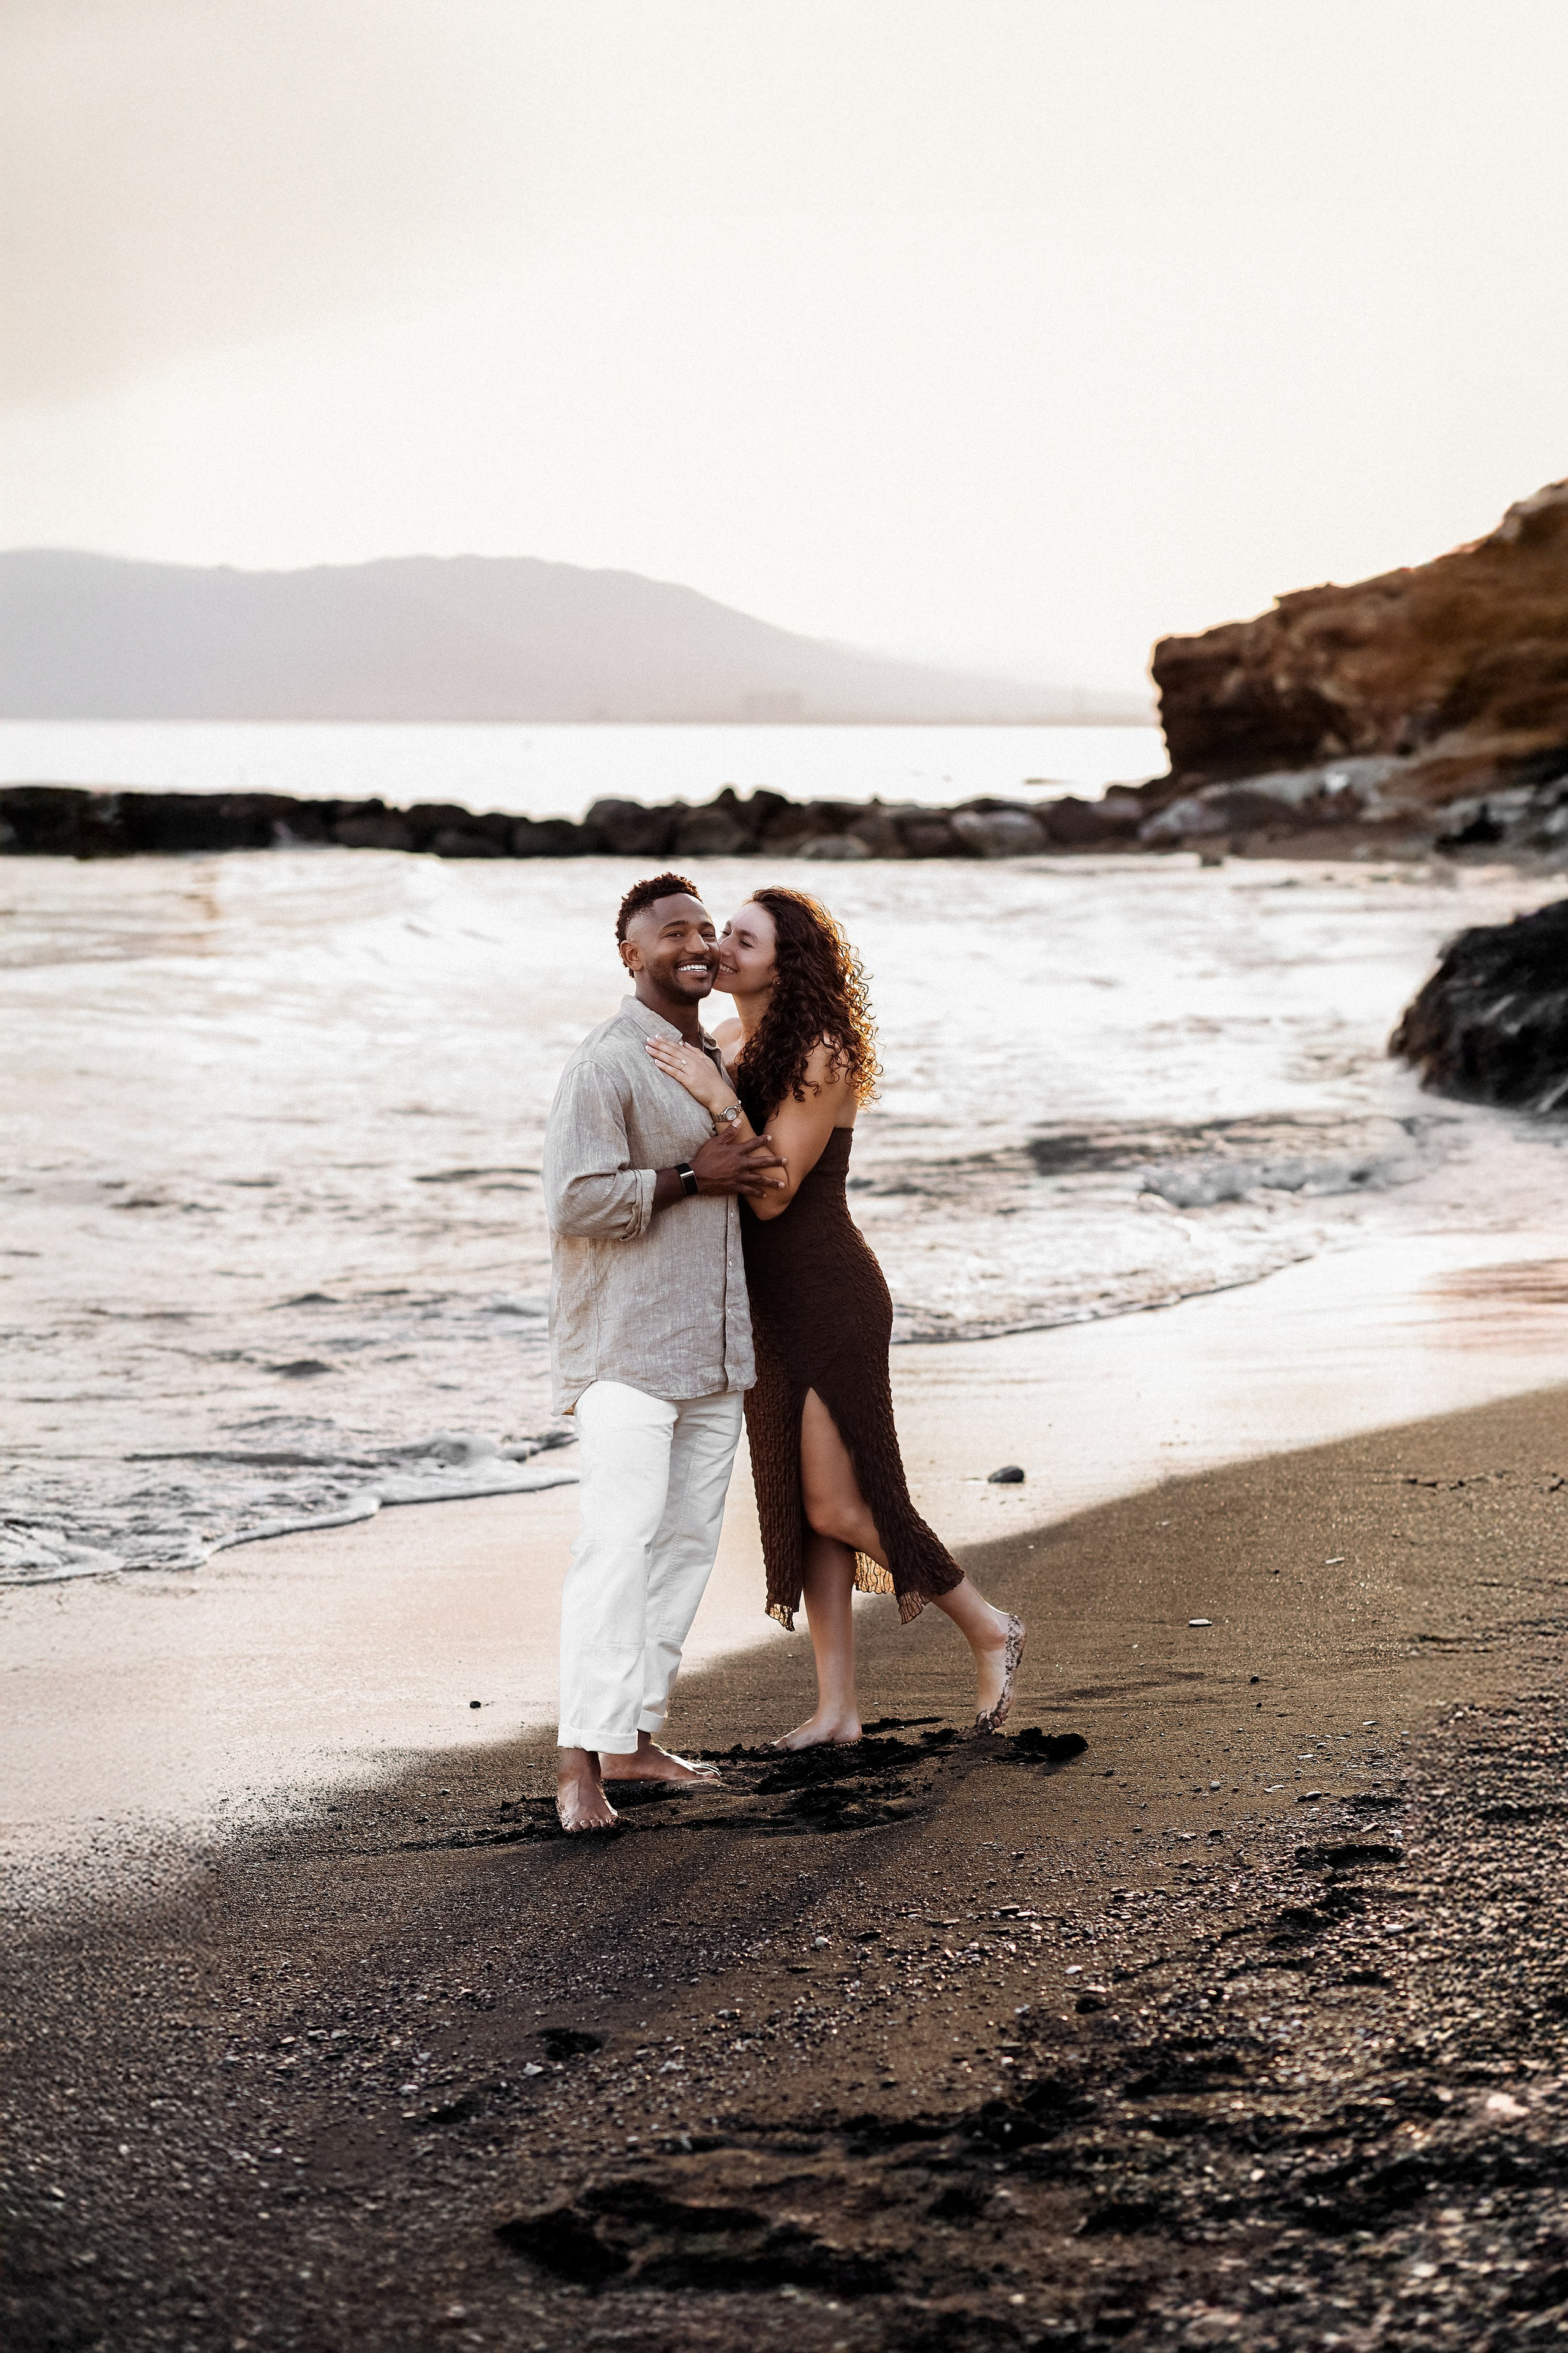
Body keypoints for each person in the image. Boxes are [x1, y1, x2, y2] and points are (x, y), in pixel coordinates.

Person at [644, 886, 1024, 1749]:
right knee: (806, 1506)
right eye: (720, 934)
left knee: (846, 1503)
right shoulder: (732, 1042)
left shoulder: (821, 1051)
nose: (722, 946)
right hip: (766, 1308)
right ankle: (836, 1709)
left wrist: (713, 1092)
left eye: (742, 937)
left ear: (787, 961)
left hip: (828, 1293)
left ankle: (989, 1624)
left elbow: (774, 1194)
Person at [543, 873, 788, 1831]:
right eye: (671, 933)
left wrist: (723, 1141)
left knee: (683, 1547)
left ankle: (635, 1738)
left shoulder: (710, 1056)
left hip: (714, 1348)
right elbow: (575, 1199)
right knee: (614, 1546)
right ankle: (577, 1761)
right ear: (630, 954)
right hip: (627, 1351)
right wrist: (691, 1175)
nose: (695, 944)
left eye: (704, 930)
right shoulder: (604, 1064)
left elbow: (763, 1170)